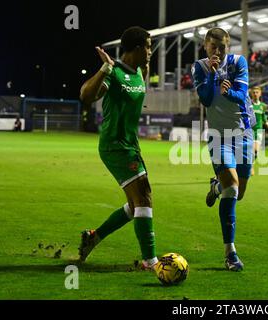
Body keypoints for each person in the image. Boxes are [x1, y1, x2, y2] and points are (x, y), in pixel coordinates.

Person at [78, 26, 158, 271]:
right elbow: (86, 96)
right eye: (147, 46)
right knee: (143, 197)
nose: (150, 51)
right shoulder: (114, 73)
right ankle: (151, 262)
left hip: (131, 146)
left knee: (135, 206)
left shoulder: (140, 71)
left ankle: (94, 236)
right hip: (115, 146)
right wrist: (104, 69)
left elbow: (138, 85)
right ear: (134, 49)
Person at [192, 27, 255, 271]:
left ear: (228, 46)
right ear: (205, 47)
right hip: (219, 136)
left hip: (244, 132)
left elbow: (242, 95)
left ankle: (215, 186)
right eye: (213, 47)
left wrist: (229, 92)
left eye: (222, 47)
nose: (217, 51)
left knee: (239, 193)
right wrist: (214, 74)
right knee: (232, 188)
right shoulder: (200, 67)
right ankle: (230, 252)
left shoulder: (239, 62)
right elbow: (206, 99)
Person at [250, 86, 268, 175]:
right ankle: (247, 167)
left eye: (257, 92)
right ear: (251, 94)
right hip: (248, 130)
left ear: (260, 93)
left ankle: (251, 165)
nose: (255, 94)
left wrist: (266, 122)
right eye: (254, 92)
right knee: (248, 150)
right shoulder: (248, 104)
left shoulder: (263, 106)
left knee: (255, 151)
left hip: (258, 130)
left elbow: (264, 115)